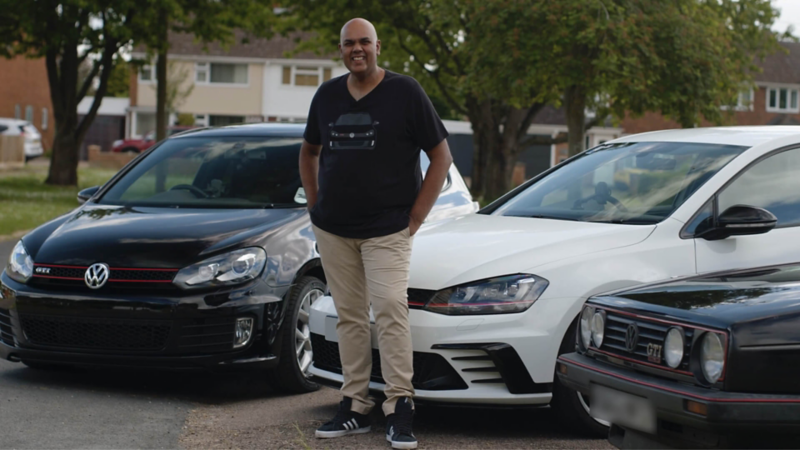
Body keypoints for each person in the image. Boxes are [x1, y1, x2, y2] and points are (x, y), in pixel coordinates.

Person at [298, 17, 453, 450]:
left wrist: (415, 219)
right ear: (342, 50)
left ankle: (400, 405)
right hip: (334, 229)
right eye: (349, 44)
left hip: (387, 229)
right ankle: (354, 404)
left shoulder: (405, 92)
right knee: (349, 315)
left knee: (388, 309)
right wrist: (315, 205)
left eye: (364, 41)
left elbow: (440, 157)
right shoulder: (327, 95)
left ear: (378, 46)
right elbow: (309, 151)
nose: (357, 49)